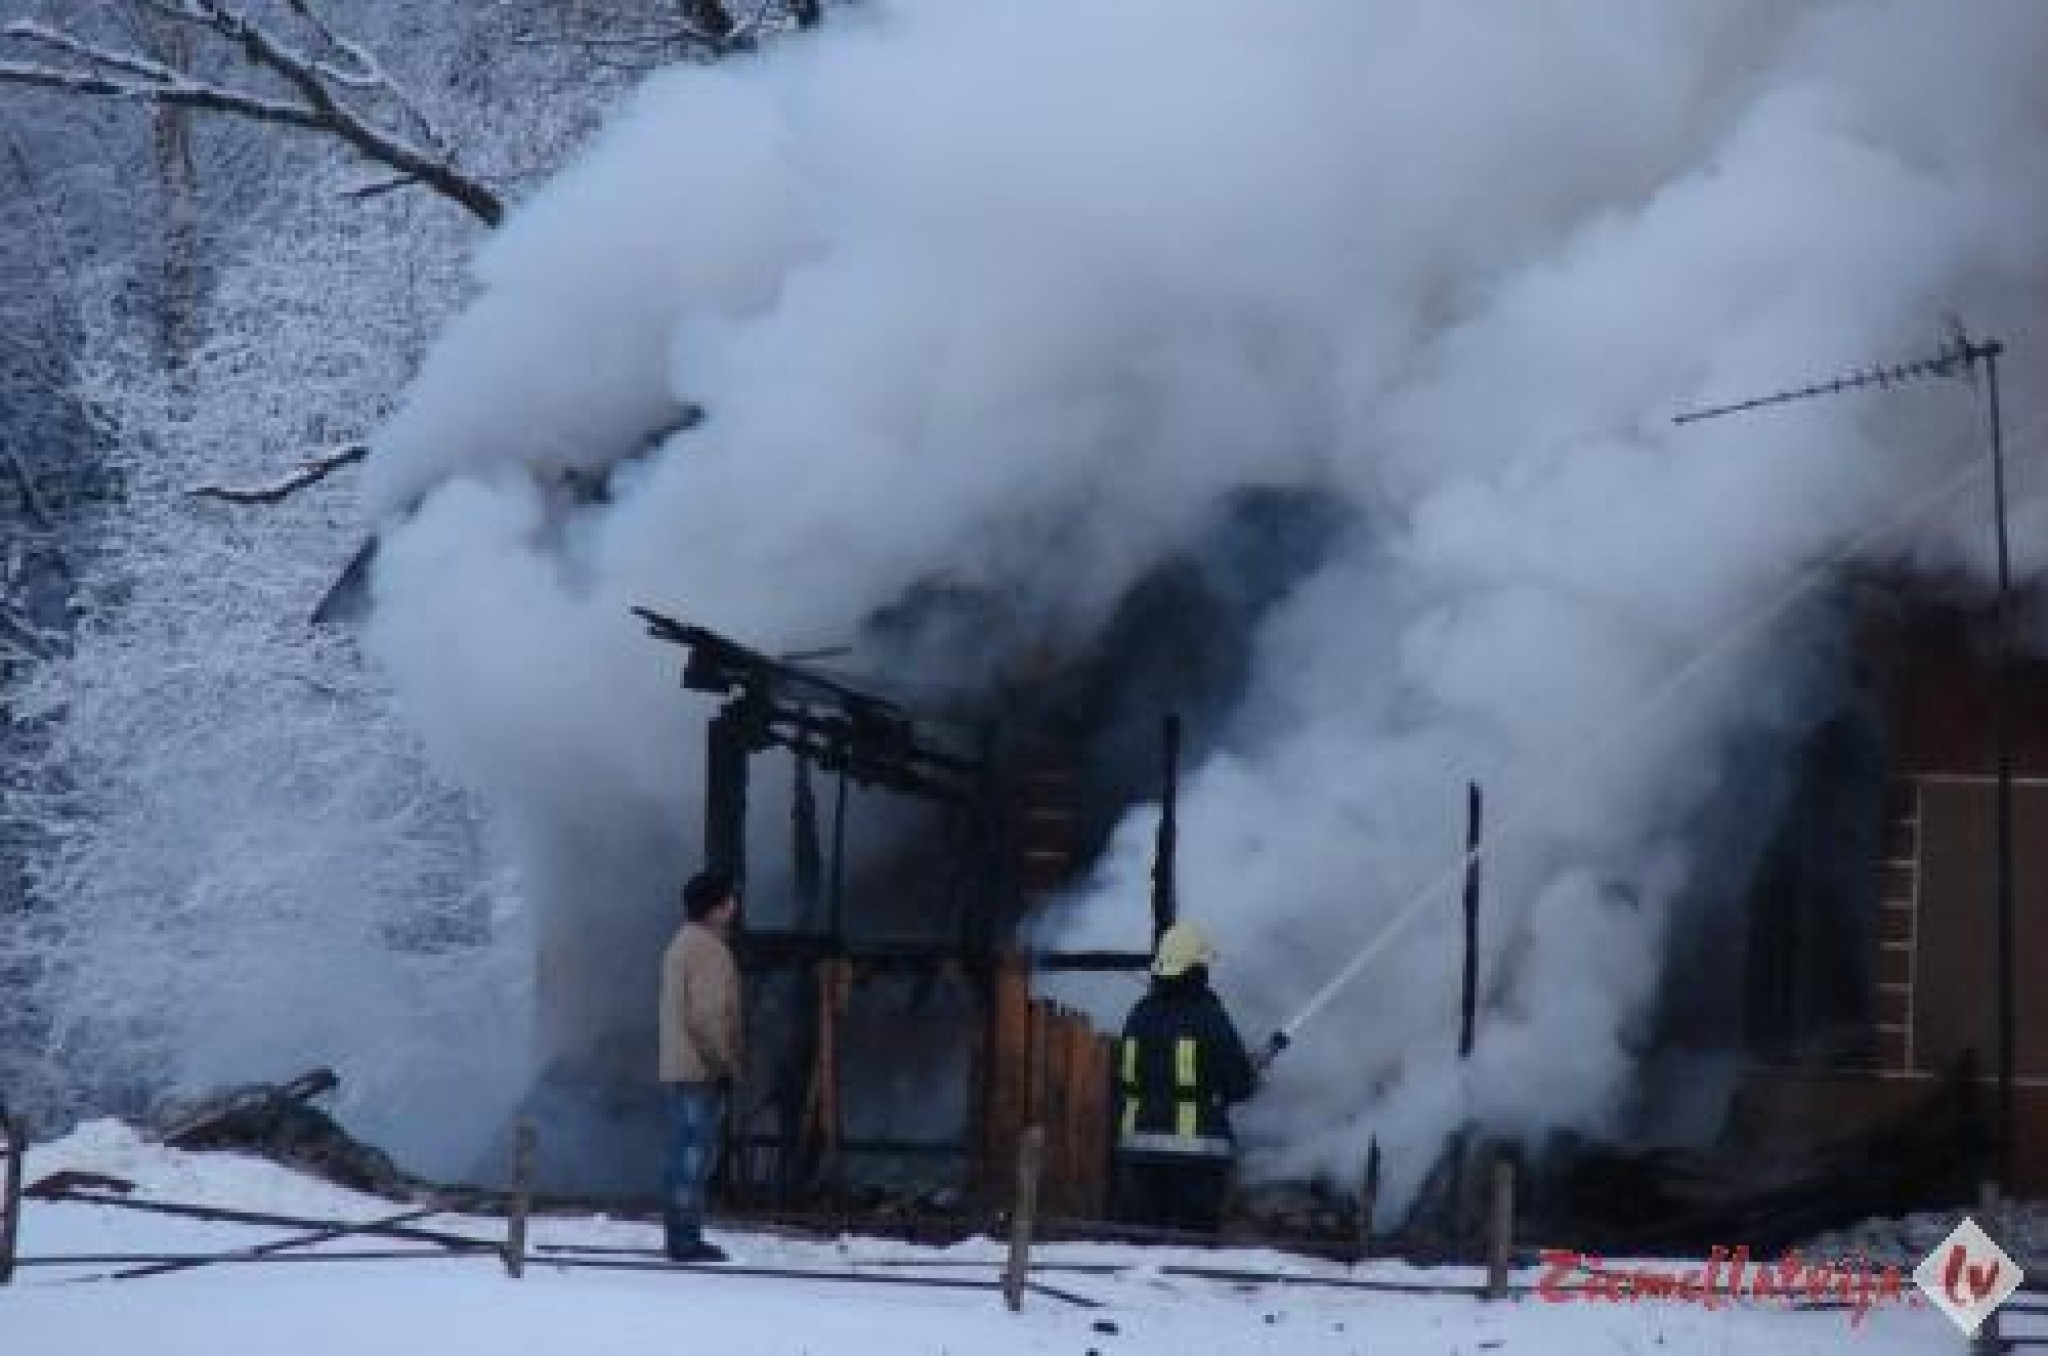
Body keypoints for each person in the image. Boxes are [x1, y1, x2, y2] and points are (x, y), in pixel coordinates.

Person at [1112, 920, 1258, 1235]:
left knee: (1142, 1246)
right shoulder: (1208, 1016)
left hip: (1139, 1151)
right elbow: (1240, 1085)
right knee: (1192, 1251)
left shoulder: (1138, 1014)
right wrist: (1251, 1072)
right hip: (1197, 1157)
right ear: (1197, 968)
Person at [658, 868, 743, 1262]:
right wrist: (724, 1060)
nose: (734, 907)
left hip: (679, 1064)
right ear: (716, 908)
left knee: (682, 1150)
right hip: (699, 1068)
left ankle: (678, 1231)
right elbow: (707, 1017)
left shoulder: (681, 943)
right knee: (694, 1153)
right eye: (729, 900)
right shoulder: (709, 950)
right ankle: (685, 1237)